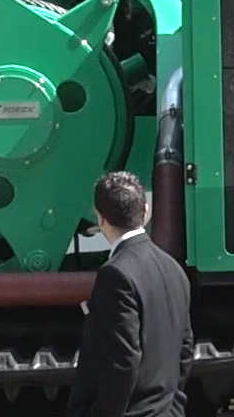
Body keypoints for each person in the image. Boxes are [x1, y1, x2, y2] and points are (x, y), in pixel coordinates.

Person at [67, 172, 193, 417]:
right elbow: (185, 349)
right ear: (144, 211)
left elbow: (124, 360)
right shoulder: (174, 269)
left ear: (100, 219)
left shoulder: (115, 274)